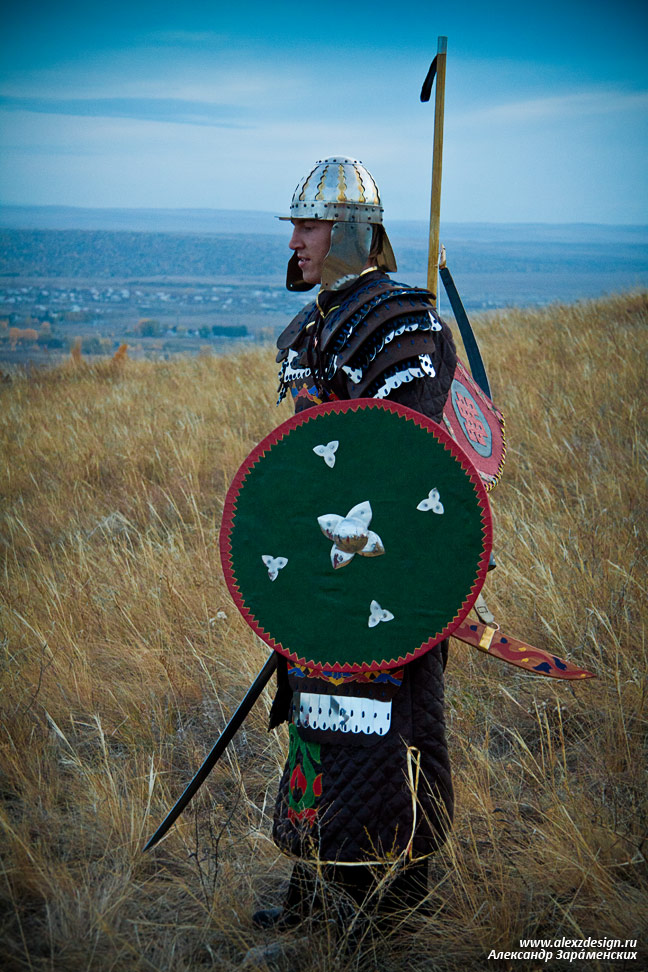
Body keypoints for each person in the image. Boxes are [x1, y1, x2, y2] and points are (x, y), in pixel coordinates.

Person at [256, 156, 458, 931]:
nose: (298, 240)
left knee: (387, 732)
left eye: (309, 225)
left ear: (346, 232)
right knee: (316, 727)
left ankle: (388, 912)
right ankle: (315, 895)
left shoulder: (405, 324)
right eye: (298, 227)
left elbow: (407, 468)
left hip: (388, 579)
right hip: (323, 573)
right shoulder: (315, 324)